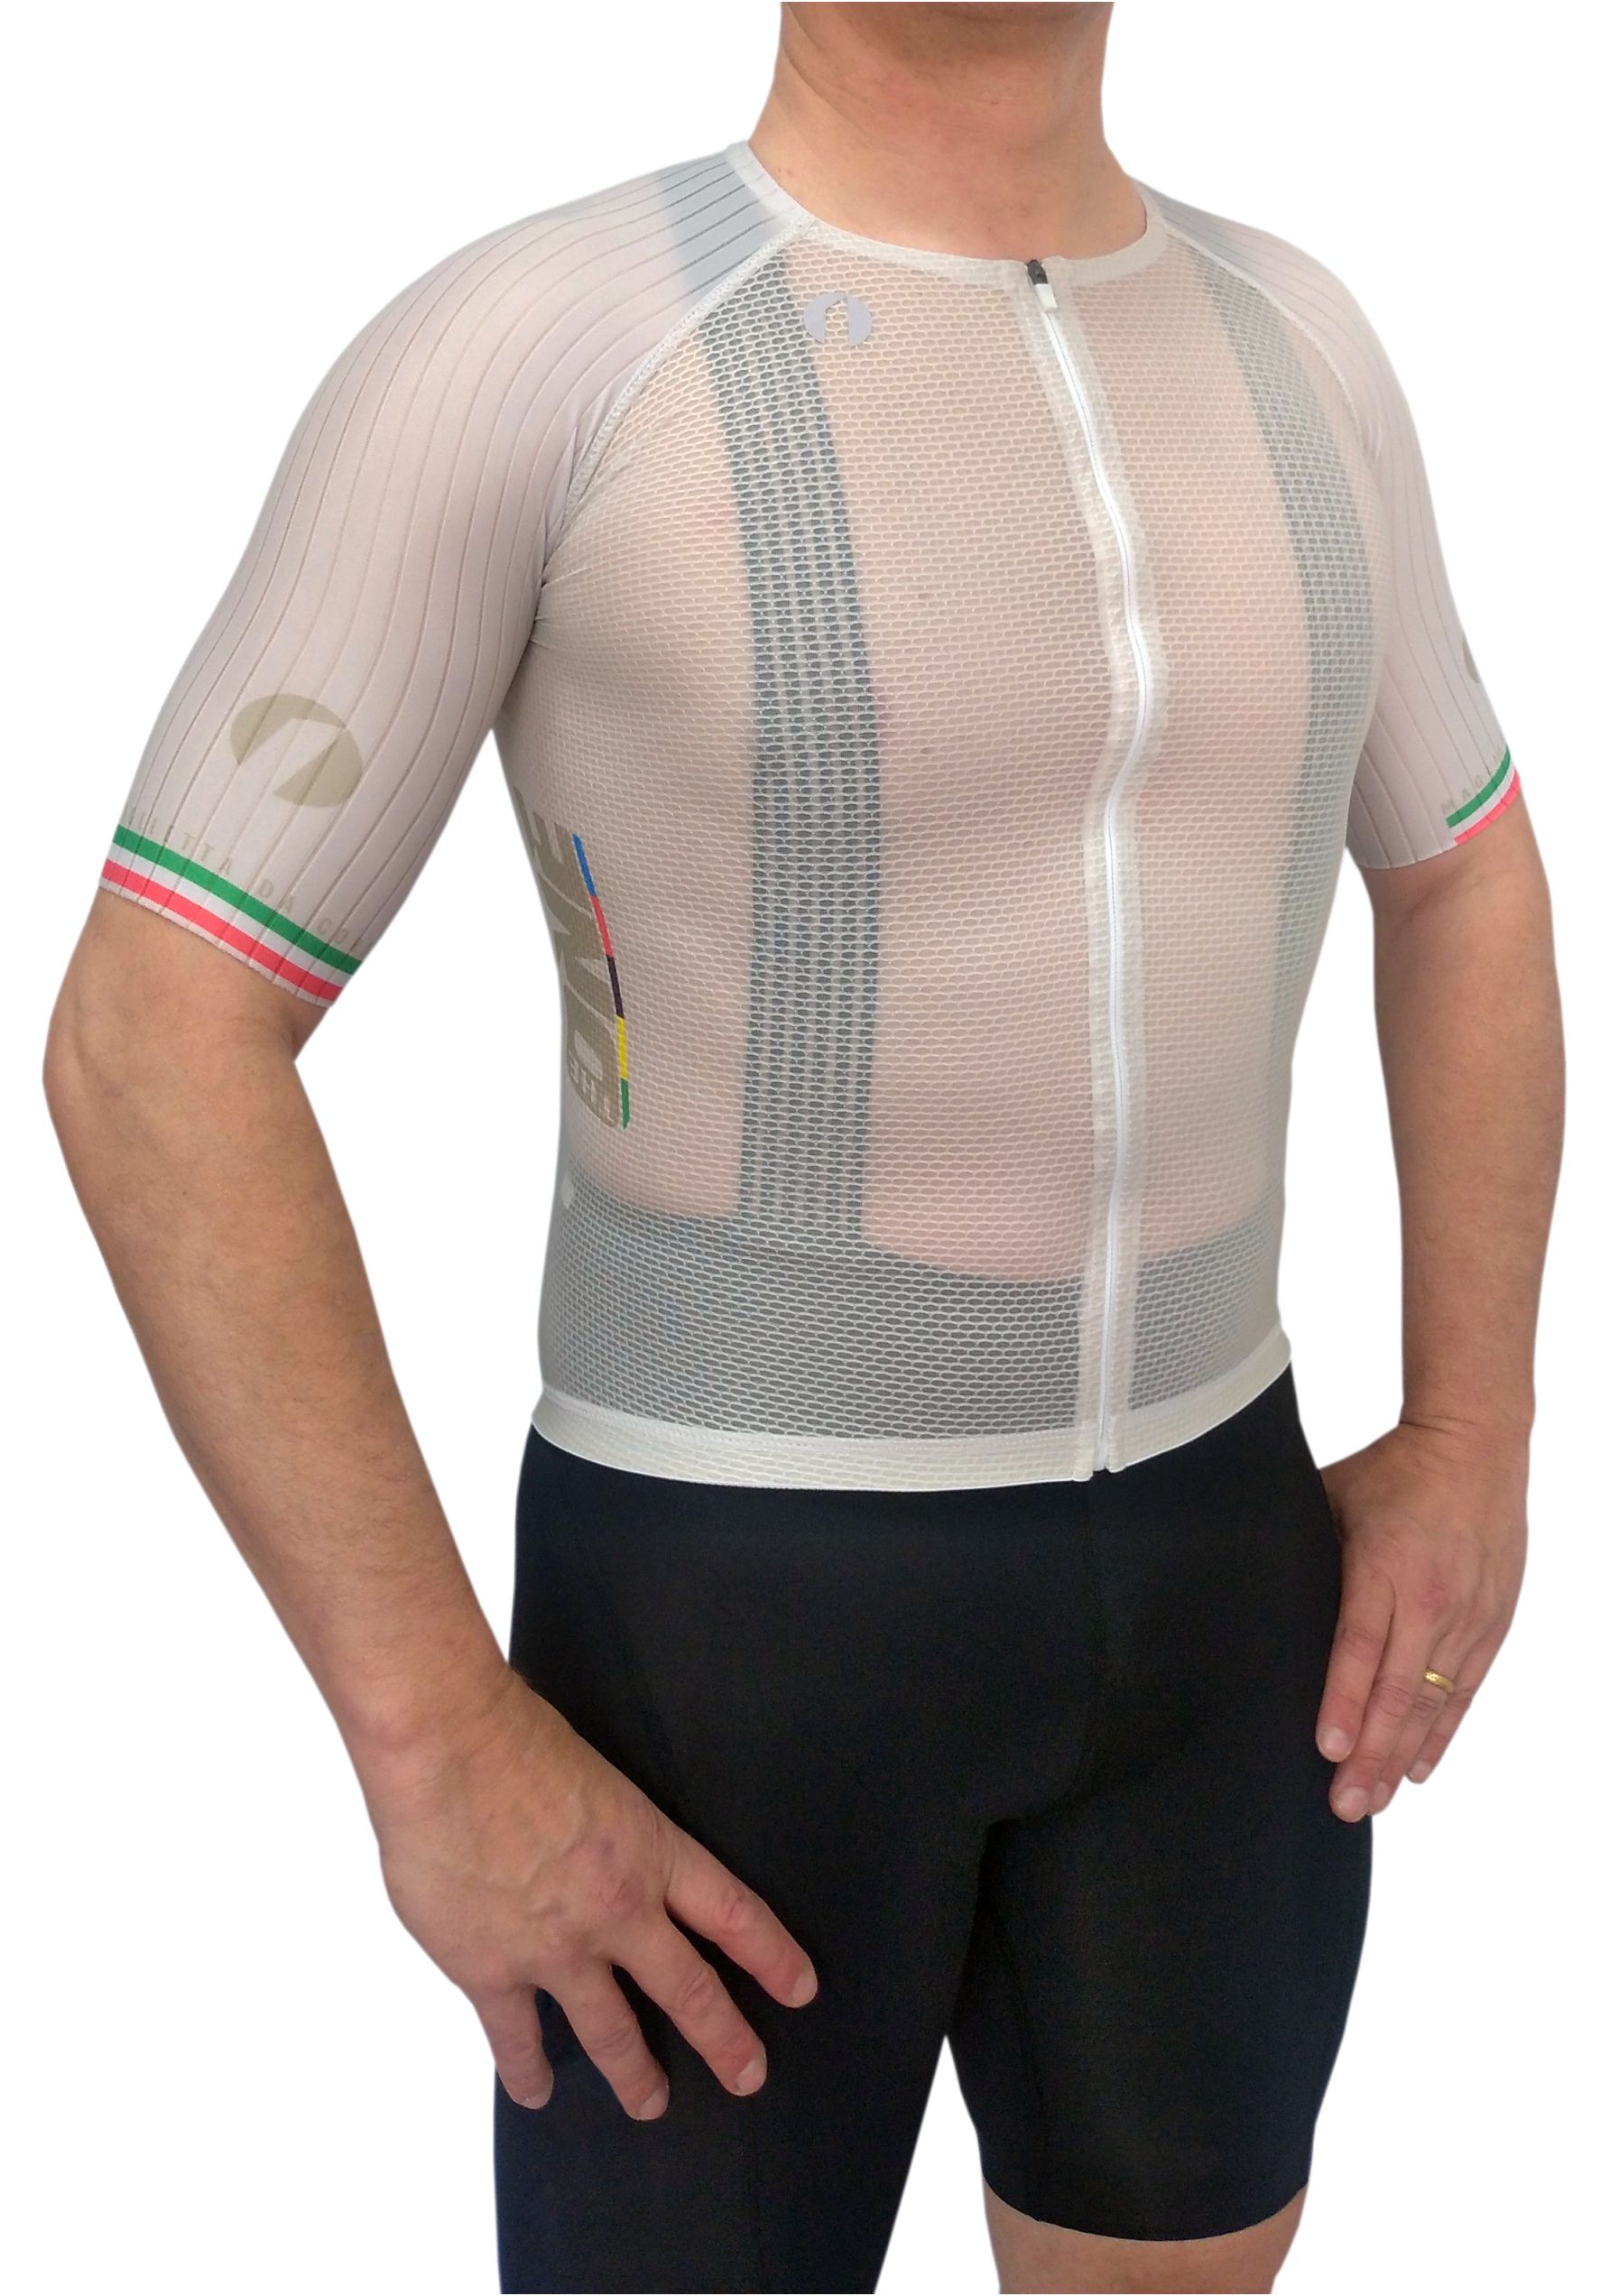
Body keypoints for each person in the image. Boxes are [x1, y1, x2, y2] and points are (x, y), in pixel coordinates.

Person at [45, 5, 1562, 2291]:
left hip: (1229, 1599)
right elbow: (154, 1033)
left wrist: (1472, 1431)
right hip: (726, 1626)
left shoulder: (1304, 342)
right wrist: (430, 1735)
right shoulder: (537, 348)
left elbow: (1464, 875)